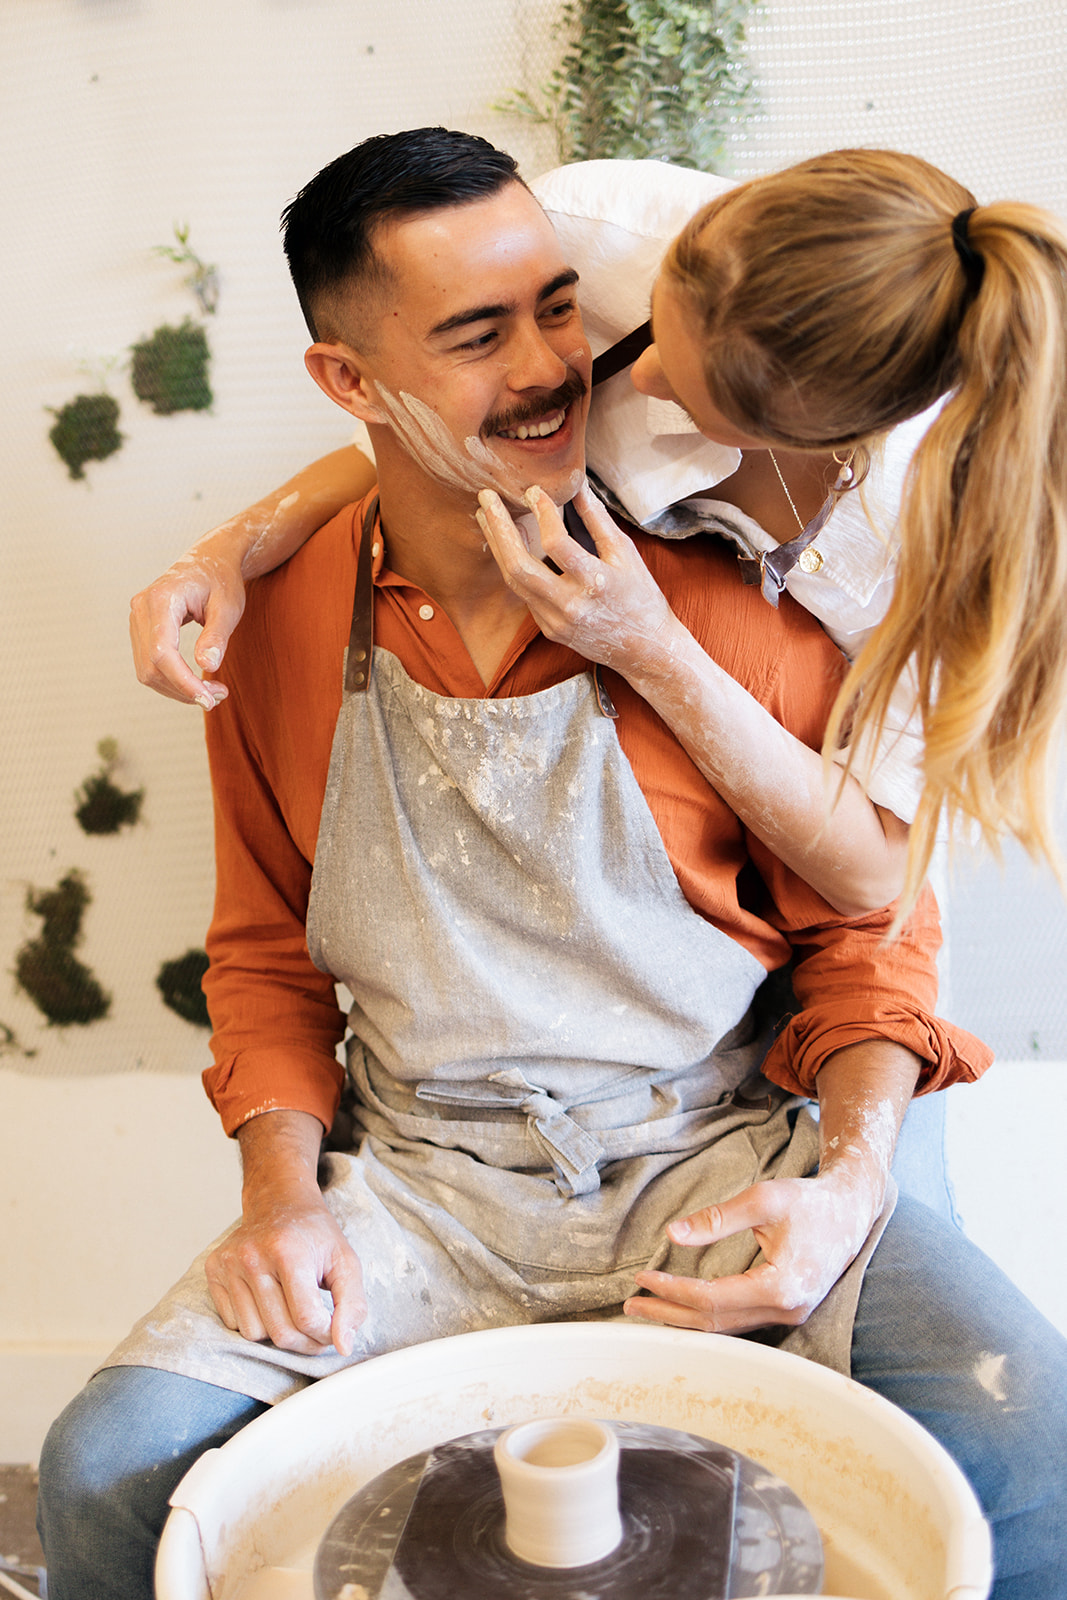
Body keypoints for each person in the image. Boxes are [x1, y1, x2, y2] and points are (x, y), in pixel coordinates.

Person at [40, 130, 1067, 1600]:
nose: (563, 369)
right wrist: (284, 1196)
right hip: (427, 1186)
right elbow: (266, 954)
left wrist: (843, 1184)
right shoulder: (271, 625)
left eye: (552, 311)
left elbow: (872, 919)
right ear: (349, 380)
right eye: (477, 334)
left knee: (1028, 1451)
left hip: (710, 1153)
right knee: (100, 1470)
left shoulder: (770, 580)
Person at [131, 149, 1067, 927]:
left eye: (684, 393)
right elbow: (418, 426)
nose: (630, 374)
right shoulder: (595, 234)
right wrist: (231, 546)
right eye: (654, 325)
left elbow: (875, 878)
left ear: (804, 439)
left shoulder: (962, 547)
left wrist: (651, 647)